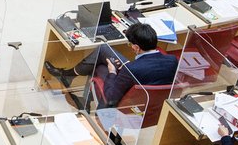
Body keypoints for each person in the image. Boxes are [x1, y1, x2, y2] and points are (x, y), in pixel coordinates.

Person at [46, 22, 177, 109]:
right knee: (103, 50)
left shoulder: (131, 69)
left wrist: (113, 72)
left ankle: (76, 88)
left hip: (129, 103)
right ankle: (69, 76)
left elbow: (110, 98)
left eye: (130, 45)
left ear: (136, 47)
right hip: (152, 101)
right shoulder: (172, 60)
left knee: (101, 66)